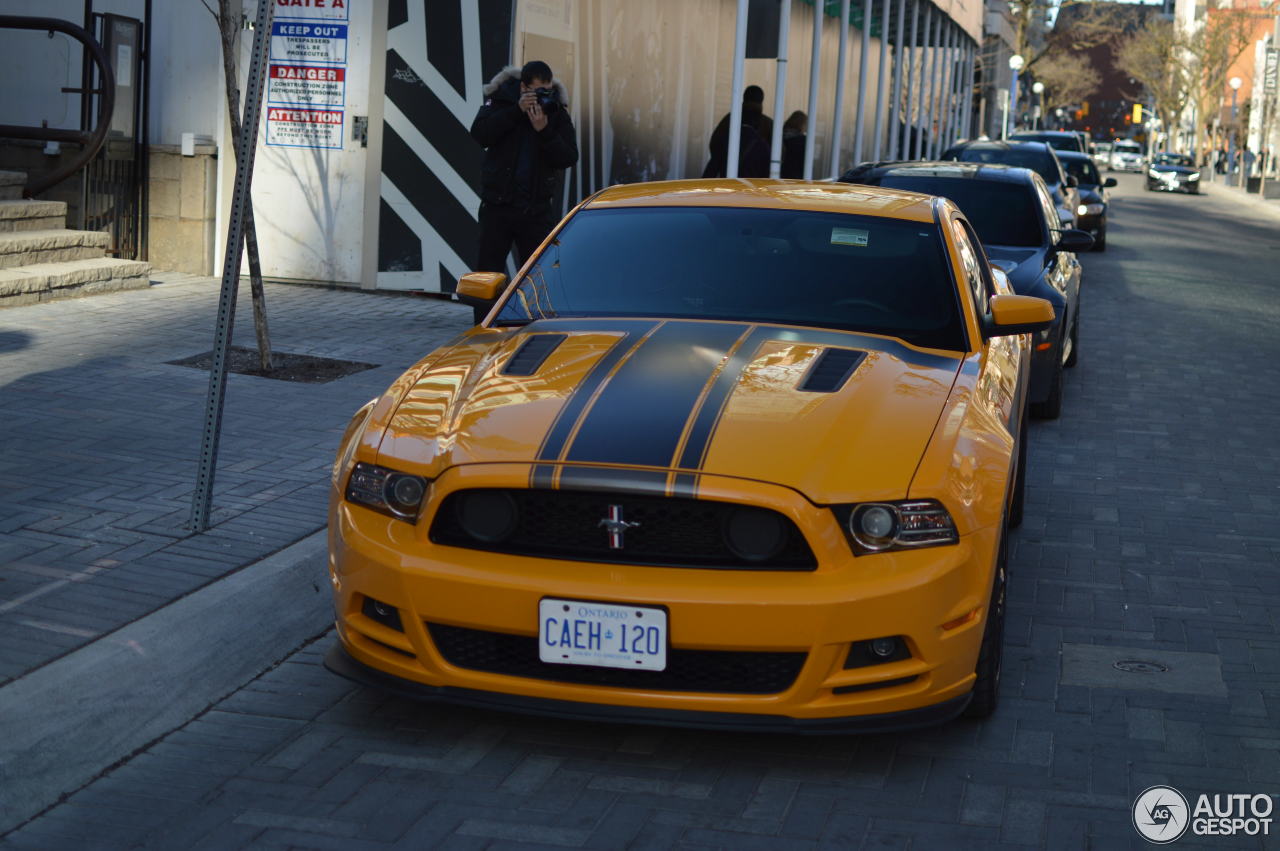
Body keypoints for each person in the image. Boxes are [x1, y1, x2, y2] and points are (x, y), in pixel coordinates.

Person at [469, 60, 578, 322]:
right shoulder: (500, 102)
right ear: (523, 87)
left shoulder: (556, 113)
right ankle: (483, 326)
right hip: (498, 206)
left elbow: (568, 157)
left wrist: (544, 131)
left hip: (535, 209)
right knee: (488, 273)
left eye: (547, 91)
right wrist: (516, 112)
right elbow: (480, 133)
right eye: (536, 92)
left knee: (536, 274)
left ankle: (531, 324)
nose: (542, 98)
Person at [703, 85, 772, 178]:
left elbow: (715, 145)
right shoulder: (768, 123)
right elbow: (776, 157)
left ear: (743, 100)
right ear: (761, 102)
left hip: (729, 175)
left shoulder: (731, 118)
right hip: (755, 182)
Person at [780, 110, 807, 179]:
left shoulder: (779, 136)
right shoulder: (802, 140)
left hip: (780, 173)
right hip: (796, 177)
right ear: (801, 124)